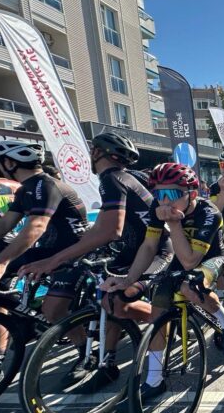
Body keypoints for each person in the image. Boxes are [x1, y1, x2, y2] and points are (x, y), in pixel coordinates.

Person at [19, 132, 173, 390]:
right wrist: (73, 255)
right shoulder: (115, 178)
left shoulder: (112, 179)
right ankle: (108, 363)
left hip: (156, 250)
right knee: (107, 300)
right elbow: (99, 227)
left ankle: (165, 319)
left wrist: (54, 260)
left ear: (97, 152)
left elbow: (111, 231)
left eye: (91, 150)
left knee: (117, 301)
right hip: (132, 249)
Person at [102, 162, 224, 399]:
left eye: (172, 194)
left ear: (192, 194)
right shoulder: (158, 207)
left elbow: (190, 262)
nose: (164, 201)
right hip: (183, 254)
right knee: (158, 311)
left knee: (191, 286)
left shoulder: (209, 213)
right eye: (159, 194)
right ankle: (154, 380)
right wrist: (129, 279)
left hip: (212, 257)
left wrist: (174, 224)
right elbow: (149, 245)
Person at [0, 140, 90, 384]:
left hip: (74, 252)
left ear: (9, 163)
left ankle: (85, 354)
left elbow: (37, 226)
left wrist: (2, 261)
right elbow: (5, 225)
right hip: (49, 249)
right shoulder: (26, 189)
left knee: (54, 311)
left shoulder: (45, 185)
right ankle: (22, 318)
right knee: (3, 286)